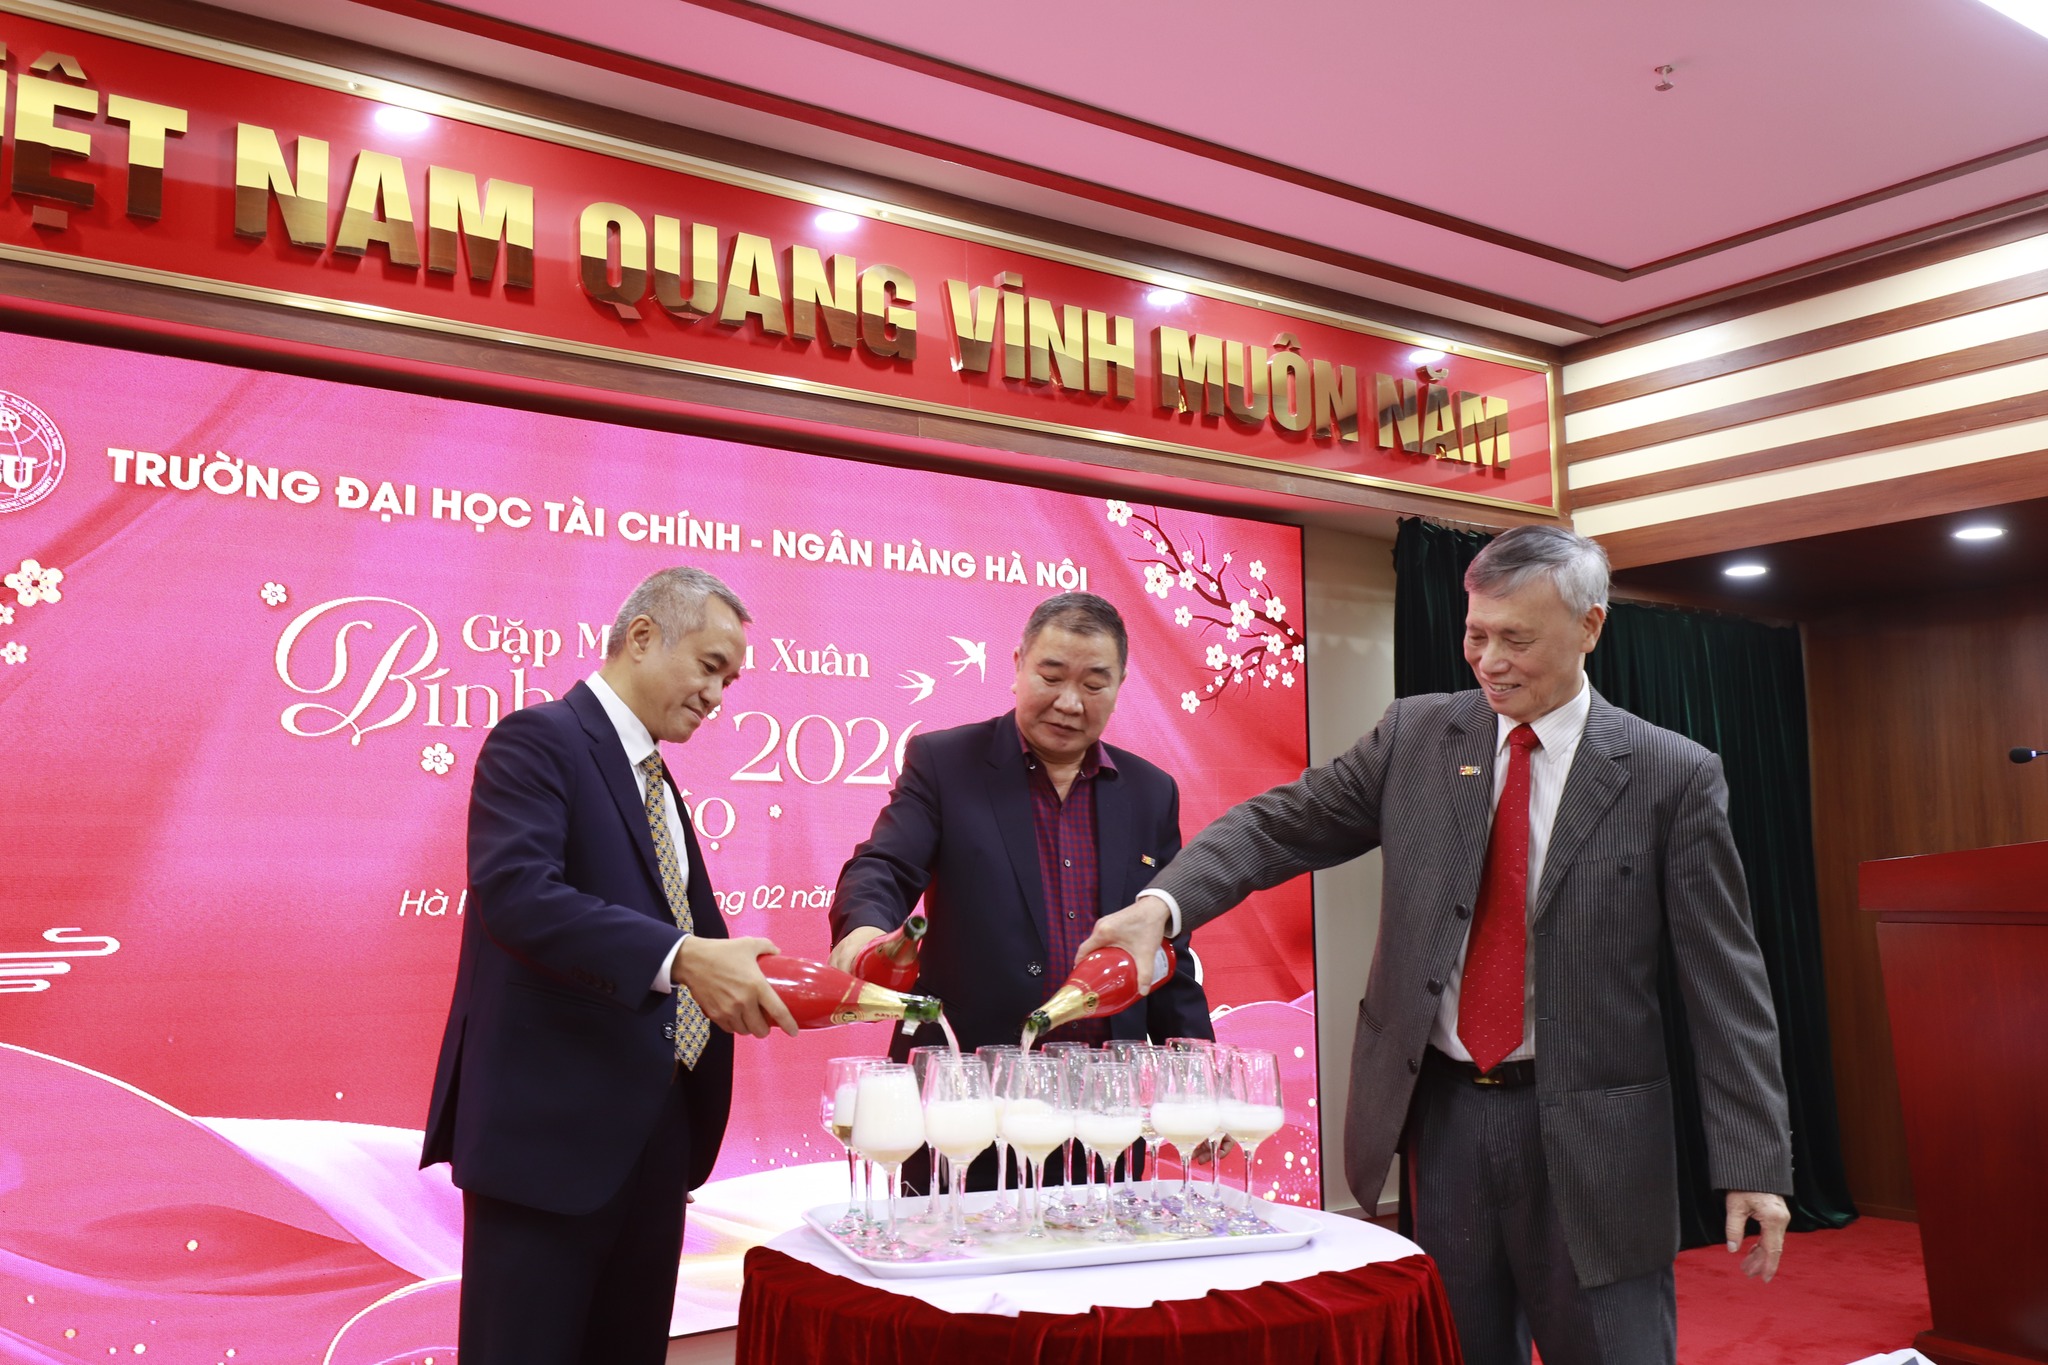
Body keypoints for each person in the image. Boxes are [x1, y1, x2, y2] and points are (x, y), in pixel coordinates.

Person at [1080, 526, 1793, 1365]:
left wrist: (1755, 1158)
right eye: (1475, 634)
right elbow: (1279, 826)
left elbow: (1725, 986)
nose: (1490, 661)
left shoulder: (1669, 774)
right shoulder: (1416, 736)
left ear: (1590, 626)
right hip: (1444, 1118)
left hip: (1596, 1139)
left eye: (1516, 638)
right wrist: (1163, 906)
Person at [421, 566, 797, 1365]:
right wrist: (684, 958)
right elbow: (519, 897)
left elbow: (690, 932)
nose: (716, 696)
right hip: (548, 1144)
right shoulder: (538, 739)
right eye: (709, 667)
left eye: (729, 681)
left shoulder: (655, 778)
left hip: (655, 1138)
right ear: (642, 636)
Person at [828, 592, 1212, 1191]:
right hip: (964, 1104)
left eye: (1093, 684)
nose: (1069, 702)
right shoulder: (945, 762)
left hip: (1104, 1115)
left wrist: (1197, 1076)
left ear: (1119, 686)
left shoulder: (1150, 791)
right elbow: (883, 865)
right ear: (1017, 666)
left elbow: (1164, 951)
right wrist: (863, 929)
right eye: (1051, 676)